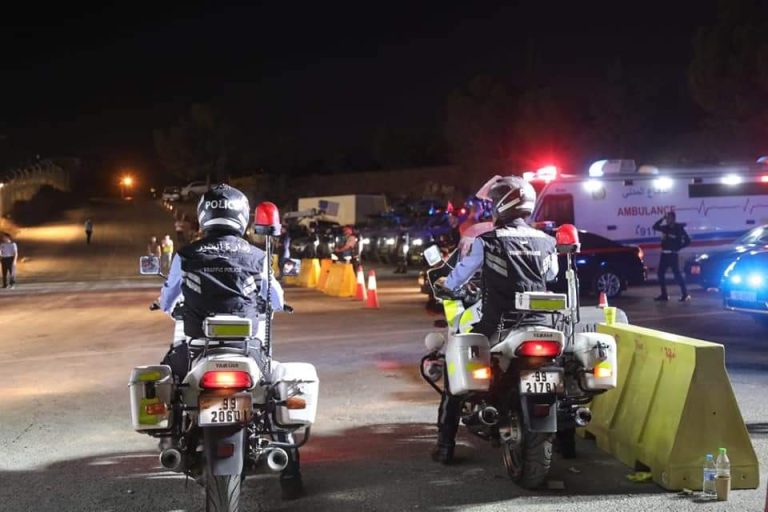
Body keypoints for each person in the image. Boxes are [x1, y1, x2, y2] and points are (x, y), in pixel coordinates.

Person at [158, 184, 302, 498]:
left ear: (203, 215)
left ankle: (169, 441)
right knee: (274, 393)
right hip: (247, 349)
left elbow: (167, 298)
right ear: (242, 215)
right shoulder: (257, 255)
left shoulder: (186, 255)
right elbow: (276, 299)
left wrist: (166, 306)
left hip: (198, 348)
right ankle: (291, 477)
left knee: (171, 384)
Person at [431, 176, 559, 464]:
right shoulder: (547, 241)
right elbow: (550, 275)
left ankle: (445, 446)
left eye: (492, 204)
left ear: (502, 205)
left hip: (498, 323)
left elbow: (459, 275)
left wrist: (445, 285)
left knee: (455, 369)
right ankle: (566, 442)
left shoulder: (487, 241)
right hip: (541, 323)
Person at [653, 211, 691, 302]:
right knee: (660, 274)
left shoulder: (678, 228)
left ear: (673, 219)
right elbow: (655, 226)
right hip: (664, 254)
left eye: (669, 218)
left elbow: (688, 241)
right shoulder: (665, 228)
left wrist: (678, 247)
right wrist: (662, 218)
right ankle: (664, 295)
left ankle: (685, 294)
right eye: (667, 218)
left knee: (677, 275)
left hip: (672, 255)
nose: (667, 220)